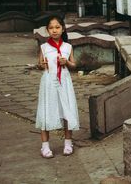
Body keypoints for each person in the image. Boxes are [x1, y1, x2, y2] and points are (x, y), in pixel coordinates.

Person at [36, 16, 79, 158]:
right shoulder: (44, 47)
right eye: (51, 28)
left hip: (64, 81)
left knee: (67, 110)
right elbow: (39, 64)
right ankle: (45, 146)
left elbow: (74, 65)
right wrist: (42, 64)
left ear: (63, 28)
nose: (54, 30)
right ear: (47, 30)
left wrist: (66, 62)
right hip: (49, 81)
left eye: (57, 27)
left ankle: (68, 143)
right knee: (47, 110)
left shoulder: (68, 47)